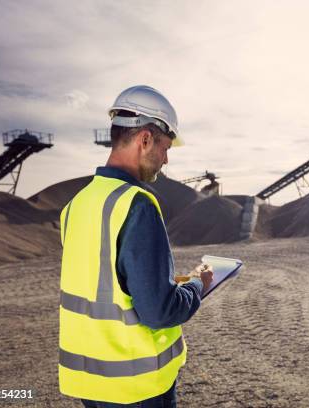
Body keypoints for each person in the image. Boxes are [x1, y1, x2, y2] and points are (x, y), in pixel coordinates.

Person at [58, 85, 213, 407]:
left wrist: (169, 282)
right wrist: (199, 284)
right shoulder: (136, 204)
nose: (166, 160)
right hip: (136, 387)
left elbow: (108, 284)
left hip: (90, 381)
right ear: (145, 140)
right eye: (166, 148)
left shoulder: (77, 204)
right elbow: (159, 312)